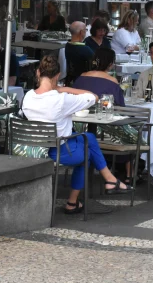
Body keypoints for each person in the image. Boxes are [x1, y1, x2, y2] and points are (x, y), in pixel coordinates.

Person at [21, 55, 131, 214]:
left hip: (33, 148)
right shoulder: (61, 99)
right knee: (87, 152)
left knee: (89, 138)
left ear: (38, 73)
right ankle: (76, 200)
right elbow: (93, 97)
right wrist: (64, 88)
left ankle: (109, 180)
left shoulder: (28, 97)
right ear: (57, 76)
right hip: (57, 151)